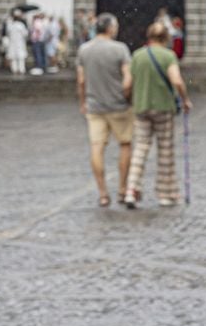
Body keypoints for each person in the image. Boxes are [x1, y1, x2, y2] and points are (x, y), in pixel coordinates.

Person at [123, 21, 192, 208]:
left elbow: (127, 84)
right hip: (163, 108)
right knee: (165, 151)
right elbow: (177, 81)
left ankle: (131, 190)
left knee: (140, 148)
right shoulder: (168, 56)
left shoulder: (137, 56)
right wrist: (185, 99)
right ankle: (165, 193)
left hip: (142, 107)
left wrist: (130, 100)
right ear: (165, 38)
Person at [76, 13, 134, 207]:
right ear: (110, 28)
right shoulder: (120, 49)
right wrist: (127, 96)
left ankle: (102, 193)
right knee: (125, 145)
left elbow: (81, 80)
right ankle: (122, 188)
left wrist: (83, 102)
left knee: (96, 147)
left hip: (95, 106)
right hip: (118, 105)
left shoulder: (84, 50)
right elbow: (127, 79)